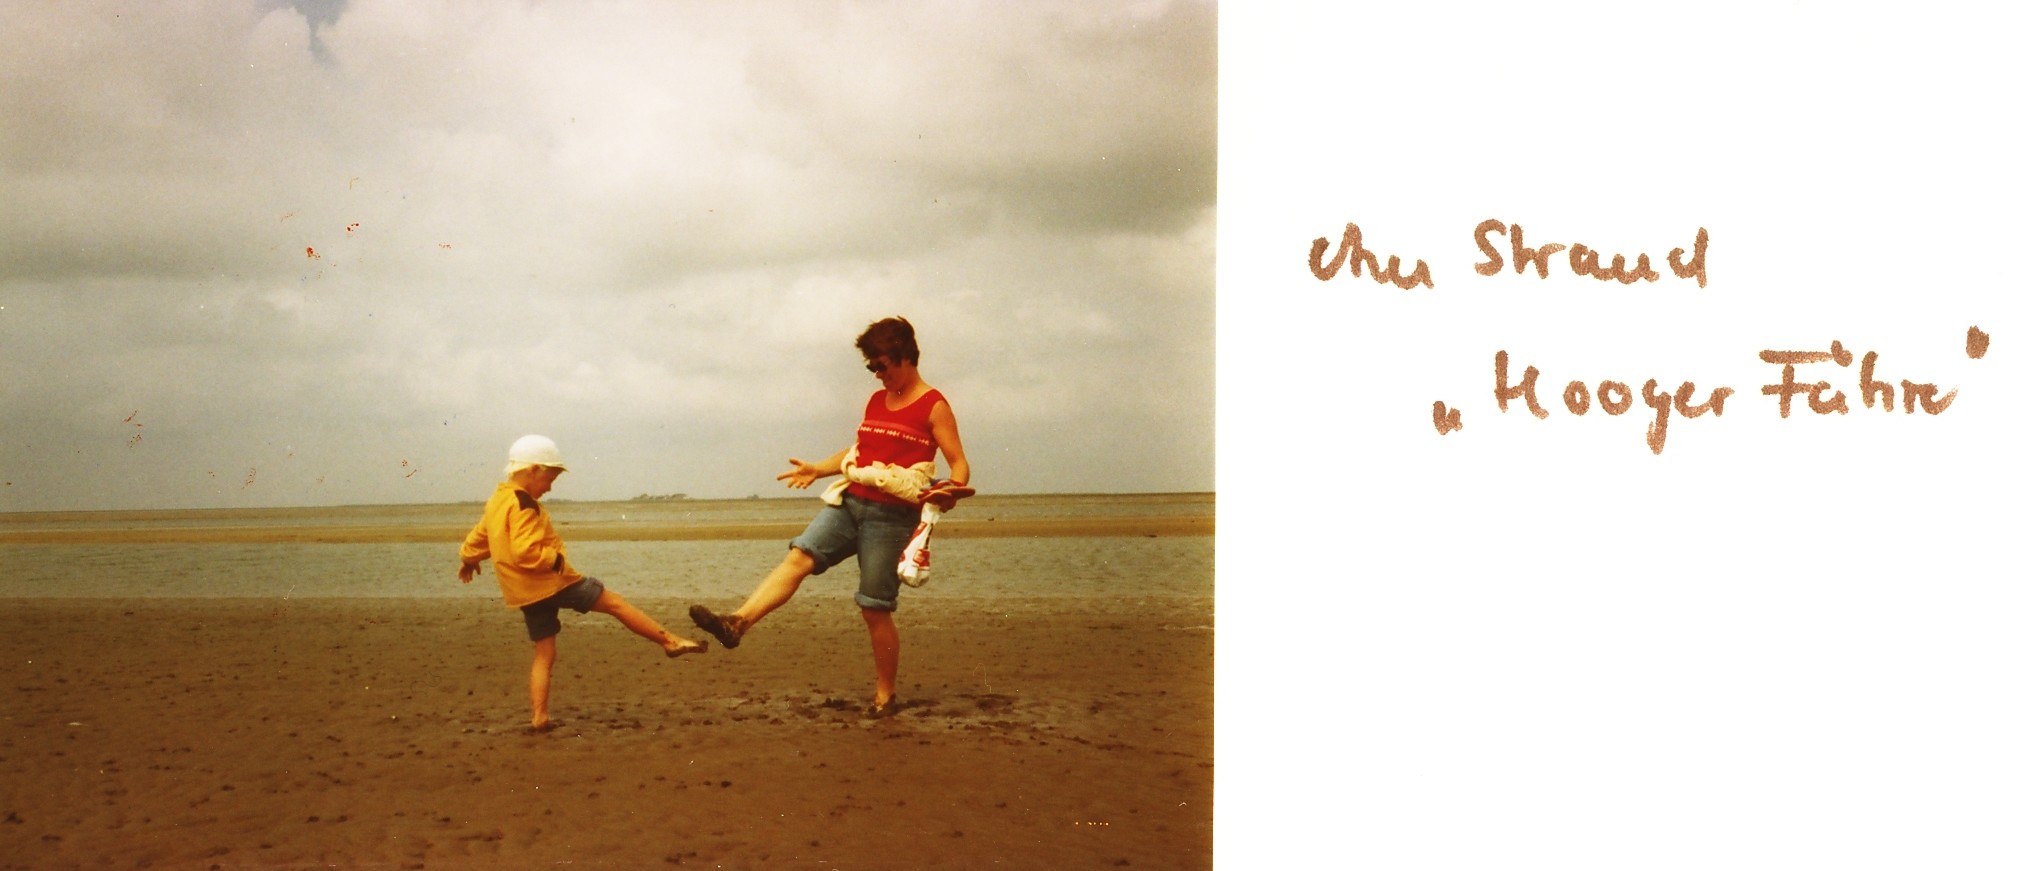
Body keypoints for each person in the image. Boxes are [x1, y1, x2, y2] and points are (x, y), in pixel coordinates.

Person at [689, 316, 970, 718]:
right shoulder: (876, 401)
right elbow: (858, 451)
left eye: (881, 365)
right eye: (871, 367)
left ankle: (885, 696)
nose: (876, 374)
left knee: (874, 608)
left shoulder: (934, 406)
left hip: (892, 518)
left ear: (905, 356)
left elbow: (959, 464)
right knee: (798, 557)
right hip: (850, 503)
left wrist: (951, 491)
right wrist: (817, 469)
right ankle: (737, 623)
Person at [458, 434, 708, 732]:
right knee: (614, 603)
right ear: (533, 469)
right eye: (549, 479)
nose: (549, 487)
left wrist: (468, 560)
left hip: (524, 593)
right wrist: (556, 560)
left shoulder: (497, 501)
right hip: (552, 583)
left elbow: (478, 538)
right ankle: (670, 641)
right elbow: (525, 551)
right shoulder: (524, 504)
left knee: (544, 652)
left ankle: (539, 717)